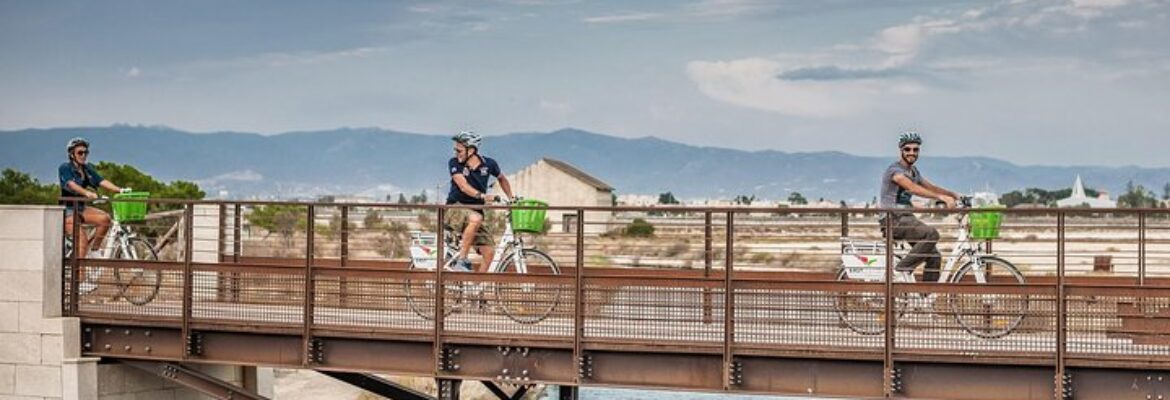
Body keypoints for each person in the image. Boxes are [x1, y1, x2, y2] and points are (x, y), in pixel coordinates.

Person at [879, 131, 960, 283]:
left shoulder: (914, 171)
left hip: (906, 218)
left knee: (934, 256)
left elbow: (931, 187)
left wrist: (954, 194)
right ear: (901, 150)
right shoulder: (895, 170)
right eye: (908, 149)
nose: (912, 153)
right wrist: (941, 198)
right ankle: (901, 270)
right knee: (931, 234)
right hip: (892, 219)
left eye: (915, 150)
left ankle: (925, 299)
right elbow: (911, 188)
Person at [59, 137, 127, 292]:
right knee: (81, 240)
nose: (83, 155)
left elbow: (101, 181)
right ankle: (79, 282)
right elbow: (70, 184)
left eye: (86, 152)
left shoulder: (87, 169)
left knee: (104, 219)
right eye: (80, 152)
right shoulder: (65, 168)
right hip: (68, 210)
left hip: (81, 208)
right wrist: (86, 193)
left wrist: (120, 190)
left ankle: (95, 249)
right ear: (72, 154)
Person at [446, 131, 514, 272]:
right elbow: (463, 187)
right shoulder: (454, 163)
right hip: (454, 208)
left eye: (459, 150)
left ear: (471, 150)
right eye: (455, 150)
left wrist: (511, 198)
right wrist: (483, 196)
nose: (456, 153)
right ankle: (461, 261)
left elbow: (502, 178)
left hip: (475, 212)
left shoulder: (489, 164)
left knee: (489, 253)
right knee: (476, 218)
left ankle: (474, 290)